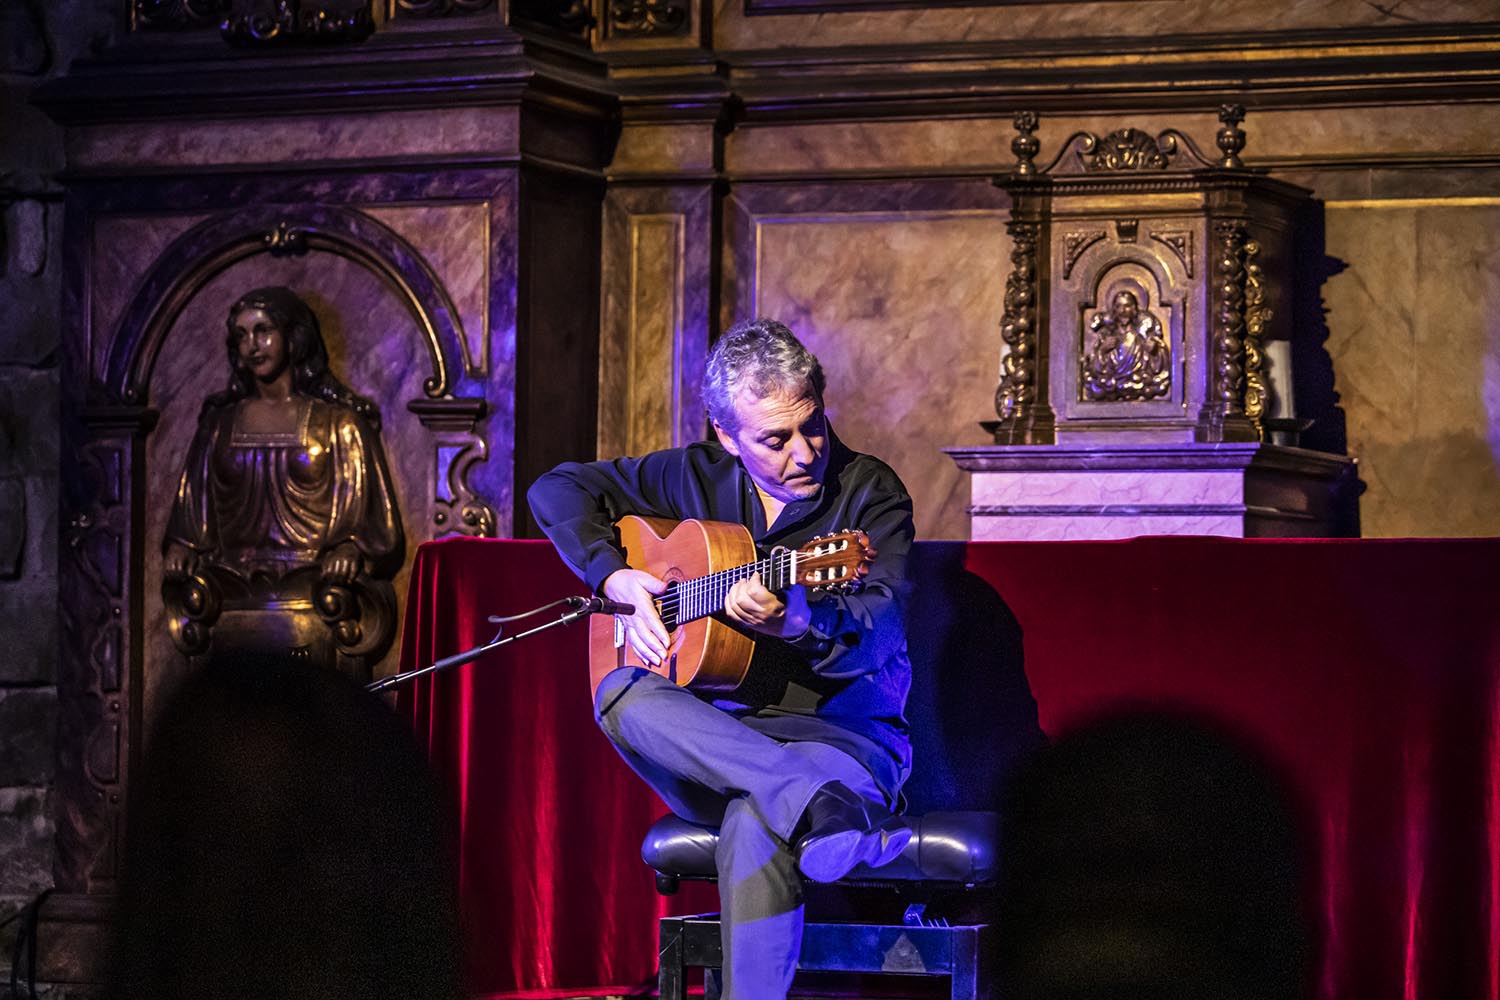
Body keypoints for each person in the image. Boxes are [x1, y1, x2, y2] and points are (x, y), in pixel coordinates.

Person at [527, 318, 915, 999]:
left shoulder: (869, 494)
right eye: (775, 439)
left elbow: (880, 635)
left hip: (843, 738)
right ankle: (809, 801)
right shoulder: (690, 478)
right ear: (726, 436)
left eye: (812, 425)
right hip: (722, 742)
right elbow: (555, 489)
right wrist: (614, 578)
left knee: (753, 816)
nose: (805, 452)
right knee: (620, 690)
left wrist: (796, 619)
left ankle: (797, 796)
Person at [161, 286, 404, 663]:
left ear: (293, 339)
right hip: (230, 596)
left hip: (317, 597)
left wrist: (350, 547)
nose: (252, 345)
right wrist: (183, 547)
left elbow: (372, 524)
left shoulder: (339, 426)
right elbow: (192, 516)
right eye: (241, 335)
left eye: (263, 331)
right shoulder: (217, 427)